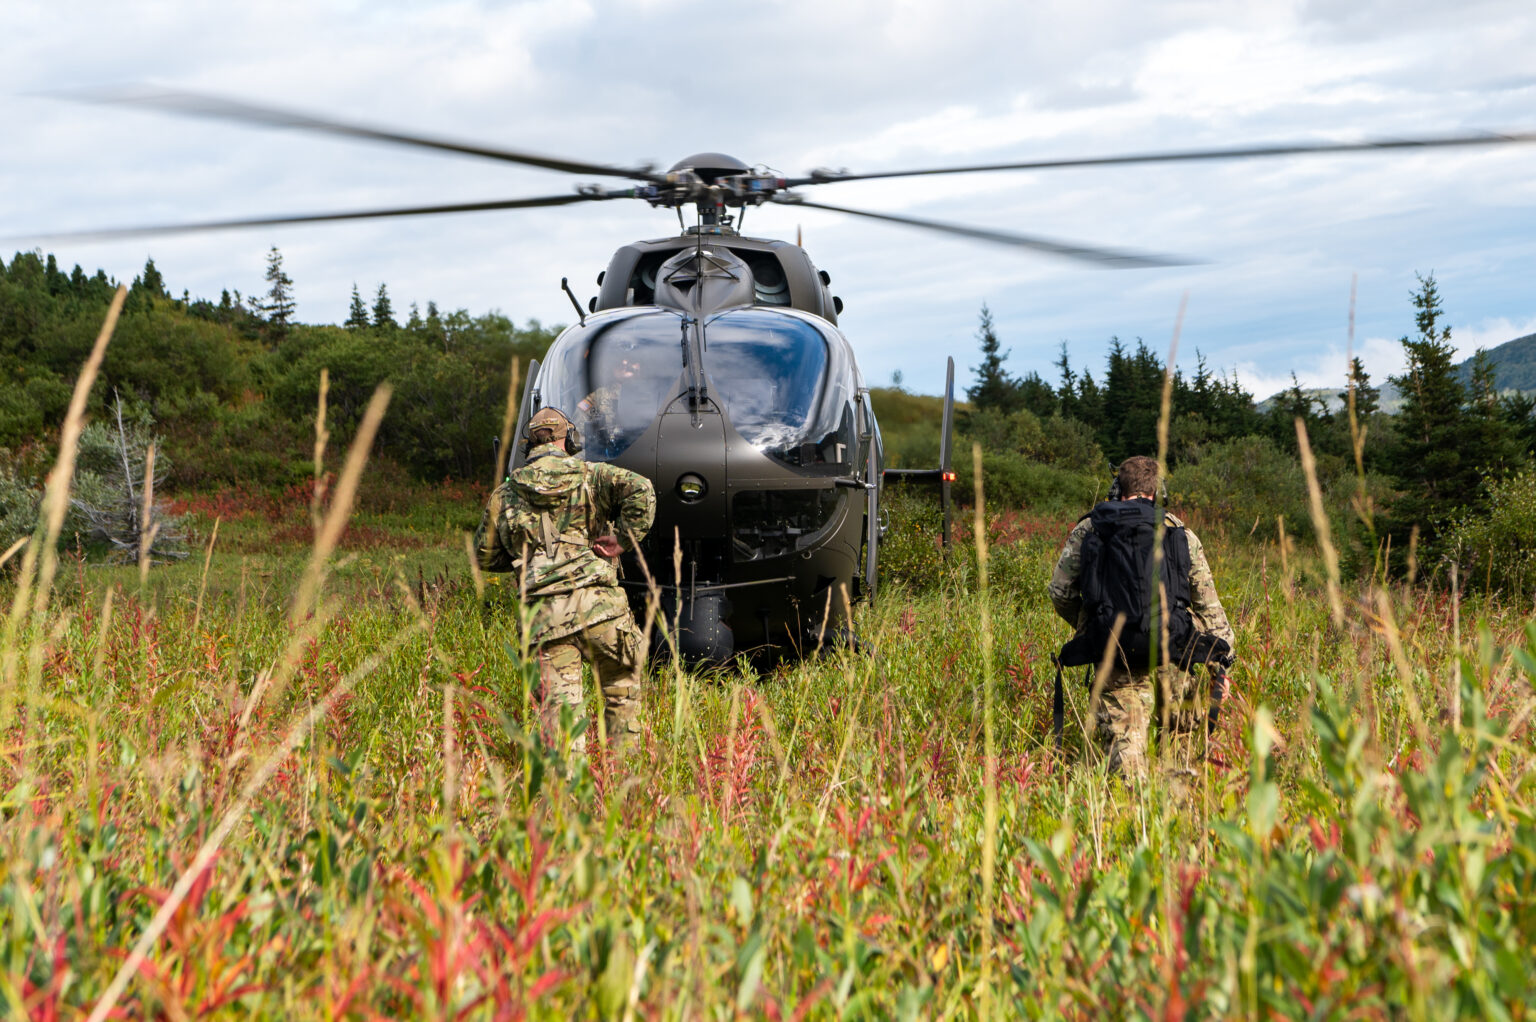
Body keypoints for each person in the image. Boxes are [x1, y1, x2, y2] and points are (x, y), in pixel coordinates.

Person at [474, 406, 656, 761]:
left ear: (530, 444)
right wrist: (622, 538)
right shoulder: (593, 474)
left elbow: (483, 556)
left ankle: (568, 804)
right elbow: (643, 491)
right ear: (567, 439)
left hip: (545, 618)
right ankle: (624, 791)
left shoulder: (505, 494)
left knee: (561, 719)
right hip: (603, 611)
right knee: (622, 693)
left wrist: (525, 559)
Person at [1047, 455, 1235, 779]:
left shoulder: (1091, 527)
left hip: (1114, 653)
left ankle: (1133, 813)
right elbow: (1210, 608)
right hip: (1173, 653)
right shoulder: (1180, 533)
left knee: (1127, 747)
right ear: (1158, 492)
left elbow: (1060, 592)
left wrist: (1091, 625)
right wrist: (1224, 663)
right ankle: (1180, 804)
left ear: (1117, 489)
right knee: (1180, 739)